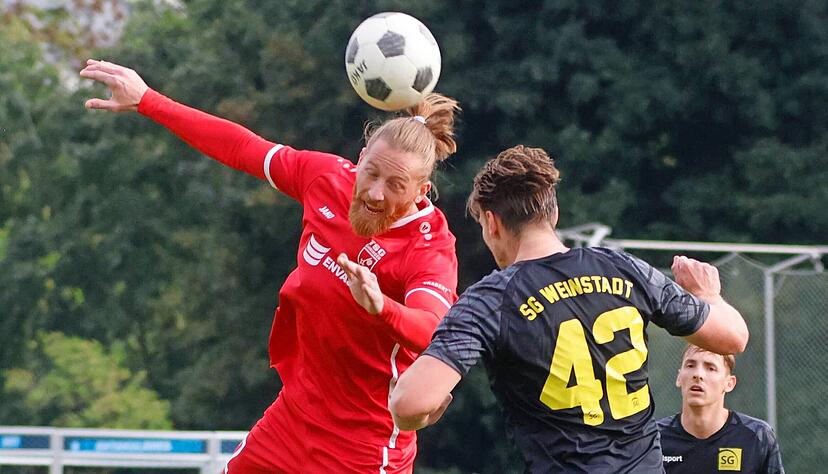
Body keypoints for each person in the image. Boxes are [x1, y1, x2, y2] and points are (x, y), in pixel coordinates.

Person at [80, 59, 461, 473]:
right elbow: (243, 147)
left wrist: (380, 307)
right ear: (362, 155)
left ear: (422, 190)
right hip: (292, 422)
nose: (373, 192)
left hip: (363, 449)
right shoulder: (326, 179)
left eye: (395, 186)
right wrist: (149, 101)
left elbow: (434, 331)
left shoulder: (428, 247)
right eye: (370, 173)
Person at [389, 145, 750, 473]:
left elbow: (409, 403)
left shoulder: (491, 301)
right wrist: (710, 296)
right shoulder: (625, 269)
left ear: (491, 222)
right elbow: (733, 337)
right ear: (554, 213)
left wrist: (415, 418)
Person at [657, 345, 784, 473]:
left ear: (729, 383)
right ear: (679, 378)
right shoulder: (653, 438)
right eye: (690, 366)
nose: (698, 374)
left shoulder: (757, 435)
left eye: (710, 368)